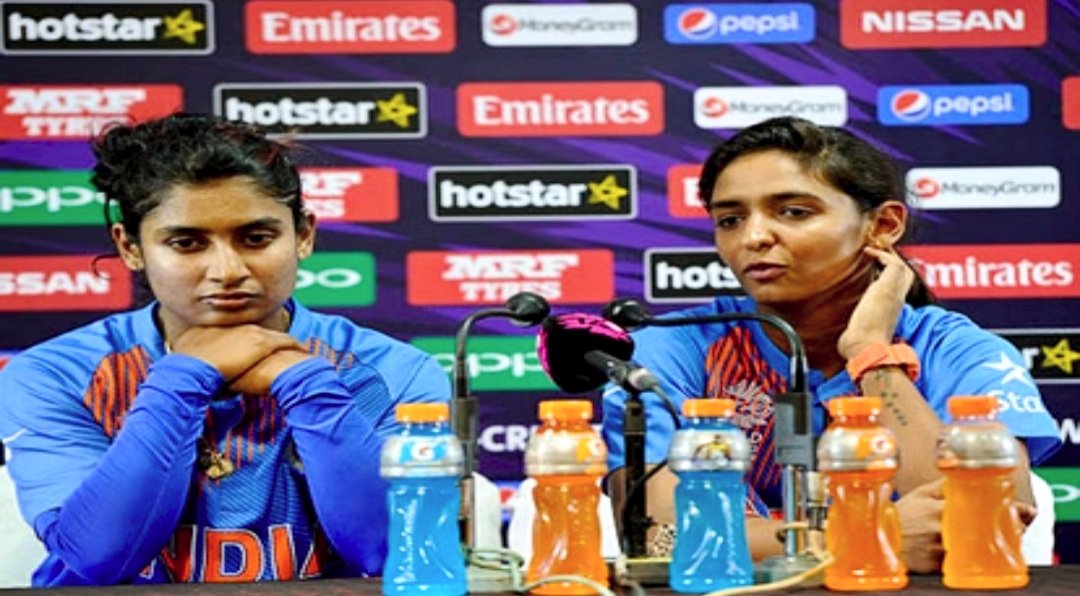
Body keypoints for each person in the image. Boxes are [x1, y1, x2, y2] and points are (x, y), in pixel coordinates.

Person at [0, 114, 450, 586]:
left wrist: (306, 382)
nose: (228, 270)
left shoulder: (395, 372)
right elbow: (99, 558)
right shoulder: (55, 376)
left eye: (256, 239)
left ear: (303, 235)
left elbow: (397, 552)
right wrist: (185, 377)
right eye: (187, 243)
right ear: (130, 247)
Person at [601, 116, 1061, 573]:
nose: (753, 237)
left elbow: (993, 522)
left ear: (883, 225)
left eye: (793, 212)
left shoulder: (958, 351)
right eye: (730, 220)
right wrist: (868, 538)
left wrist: (871, 354)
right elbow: (658, 537)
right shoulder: (667, 350)